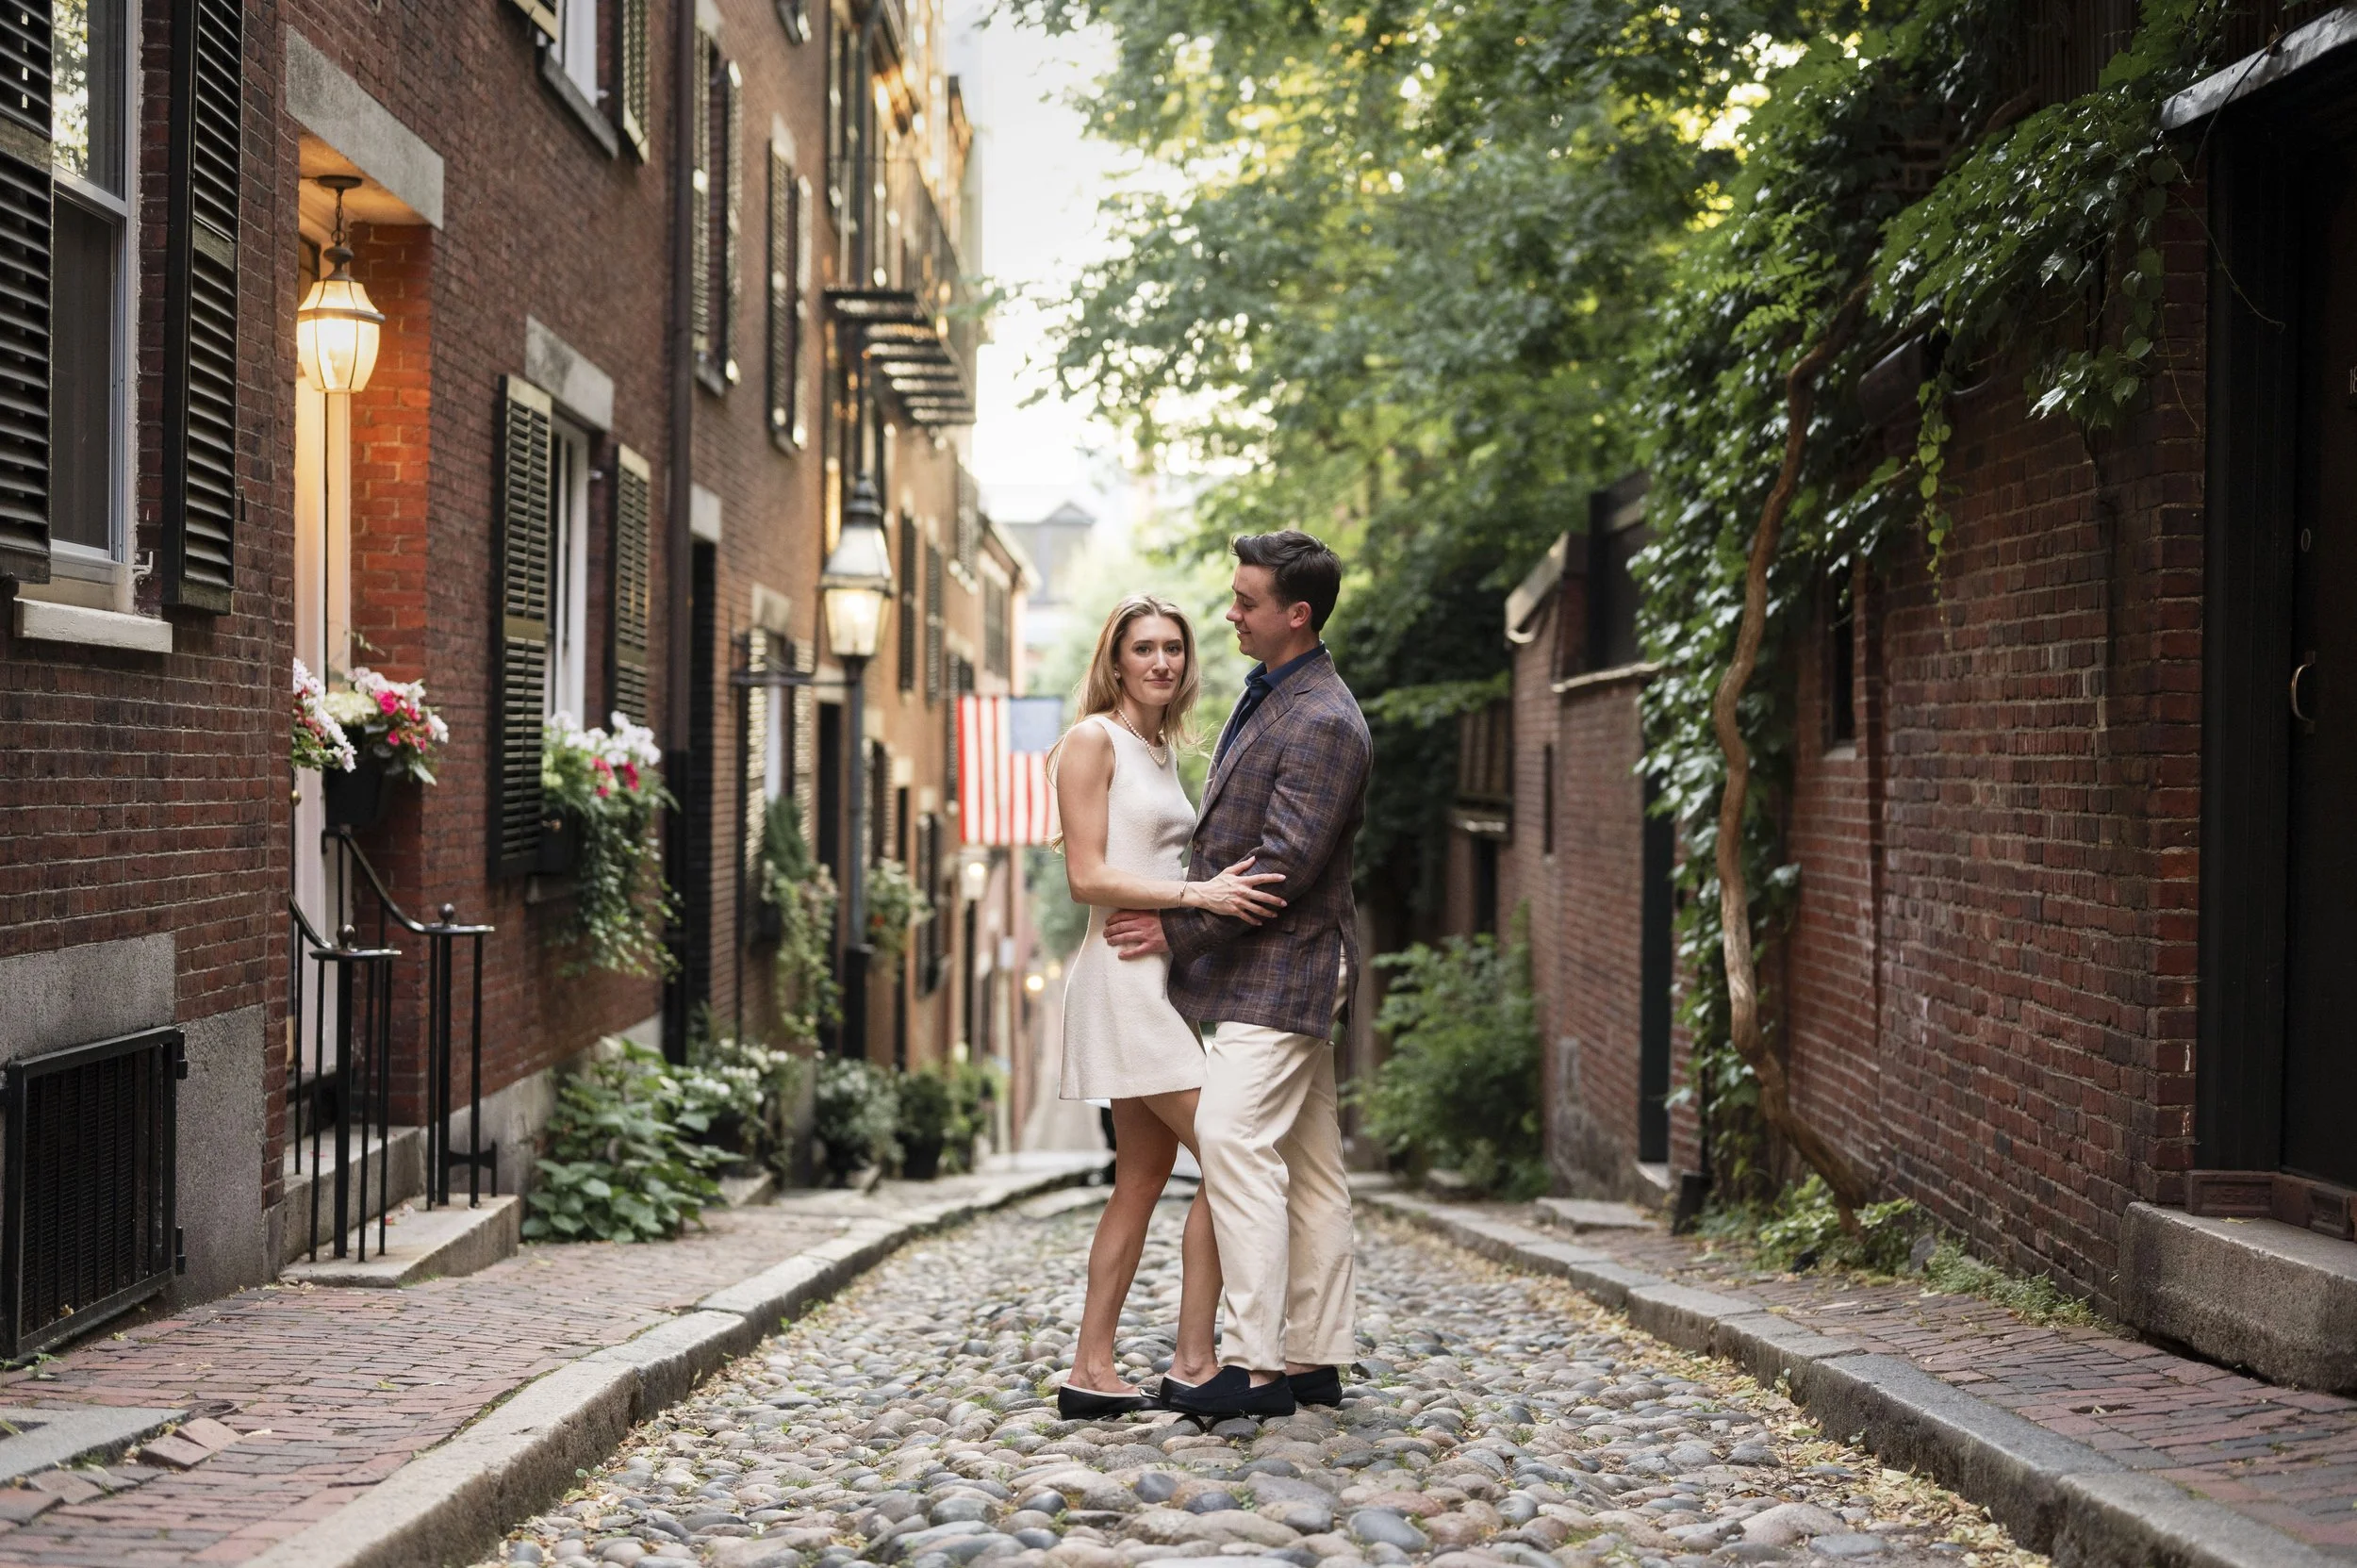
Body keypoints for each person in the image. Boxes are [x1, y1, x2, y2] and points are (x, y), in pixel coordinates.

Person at [1105, 532, 1370, 1420]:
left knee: (1229, 1134)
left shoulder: (1325, 718)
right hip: (1270, 968)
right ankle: (1314, 1356)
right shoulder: (1272, 695)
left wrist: (1174, 929)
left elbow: (1282, 867)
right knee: (1312, 1161)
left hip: (1289, 969)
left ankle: (1255, 1369)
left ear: (1296, 614)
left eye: (1246, 601)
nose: (1230, 614)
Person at [1050, 594, 1287, 1419]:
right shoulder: (1091, 741)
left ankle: (1092, 1369)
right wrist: (1202, 897)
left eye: (1174, 650)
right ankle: (1193, 1359)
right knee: (1232, 1148)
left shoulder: (1159, 749)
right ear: (1115, 659)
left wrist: (1186, 916)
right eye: (1144, 648)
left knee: (1143, 1178)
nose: (1160, 662)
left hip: (1159, 980)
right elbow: (1087, 876)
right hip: (1119, 981)